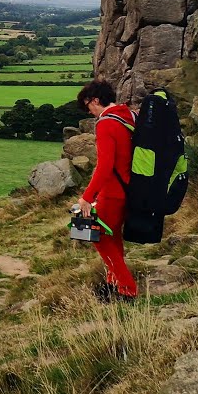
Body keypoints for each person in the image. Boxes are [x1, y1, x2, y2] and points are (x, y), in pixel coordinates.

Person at [75, 80, 138, 302]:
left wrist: (87, 197)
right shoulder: (126, 115)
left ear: (94, 100)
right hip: (129, 188)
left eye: (88, 105)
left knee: (100, 238)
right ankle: (113, 284)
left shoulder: (105, 124)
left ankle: (127, 289)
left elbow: (105, 165)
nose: (89, 111)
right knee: (113, 237)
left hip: (112, 192)